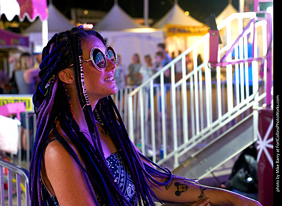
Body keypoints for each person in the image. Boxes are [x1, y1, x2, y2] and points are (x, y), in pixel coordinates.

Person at [29, 27, 262, 206]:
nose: (112, 64)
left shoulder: (104, 130)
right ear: (68, 75)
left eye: (109, 54)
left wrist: (232, 198)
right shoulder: (60, 150)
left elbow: (155, 181)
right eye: (98, 58)